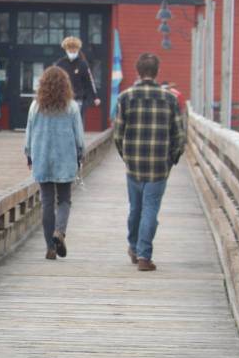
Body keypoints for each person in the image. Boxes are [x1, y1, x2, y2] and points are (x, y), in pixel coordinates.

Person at [114, 53, 187, 271]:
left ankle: (134, 247)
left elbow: (117, 135)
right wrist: (171, 160)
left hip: (134, 164)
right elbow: (179, 136)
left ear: (137, 71)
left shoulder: (125, 97)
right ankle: (144, 256)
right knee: (150, 210)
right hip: (158, 166)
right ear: (156, 72)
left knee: (135, 208)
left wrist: (126, 157)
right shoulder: (170, 99)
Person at [24, 66, 85, 260]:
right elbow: (79, 137)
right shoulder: (71, 106)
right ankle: (59, 231)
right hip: (65, 159)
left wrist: (29, 155)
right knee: (65, 199)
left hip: (42, 158)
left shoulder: (35, 106)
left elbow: (29, 133)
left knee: (47, 202)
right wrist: (81, 153)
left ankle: (50, 247)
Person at [54, 36, 101, 123]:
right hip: (63, 99)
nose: (72, 52)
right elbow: (54, 81)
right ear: (65, 49)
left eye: (74, 50)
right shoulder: (60, 64)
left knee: (77, 122)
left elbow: (89, 81)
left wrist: (95, 97)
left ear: (78, 49)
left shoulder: (83, 64)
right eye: (70, 50)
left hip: (78, 99)